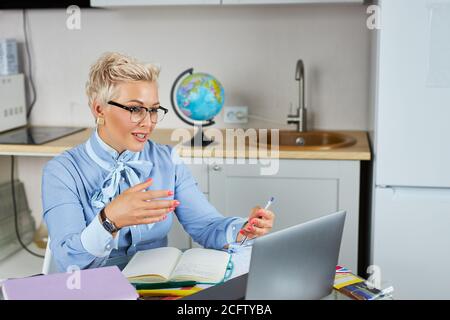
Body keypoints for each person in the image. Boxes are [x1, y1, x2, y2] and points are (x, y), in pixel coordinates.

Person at [42, 52, 275, 272]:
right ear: (99, 109)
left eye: (153, 110)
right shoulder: (62, 172)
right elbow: (68, 261)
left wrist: (243, 229)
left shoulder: (167, 160)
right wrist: (109, 220)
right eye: (135, 109)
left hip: (156, 288)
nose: (149, 122)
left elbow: (206, 226)